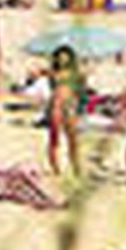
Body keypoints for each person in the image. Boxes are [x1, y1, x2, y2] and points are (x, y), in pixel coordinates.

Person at [46, 46, 85, 175]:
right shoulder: (53, 73)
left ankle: (76, 165)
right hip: (56, 104)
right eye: (60, 57)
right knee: (54, 137)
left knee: (72, 137)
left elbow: (81, 92)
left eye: (65, 56)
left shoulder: (77, 74)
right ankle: (55, 167)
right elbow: (52, 87)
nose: (62, 59)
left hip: (70, 104)